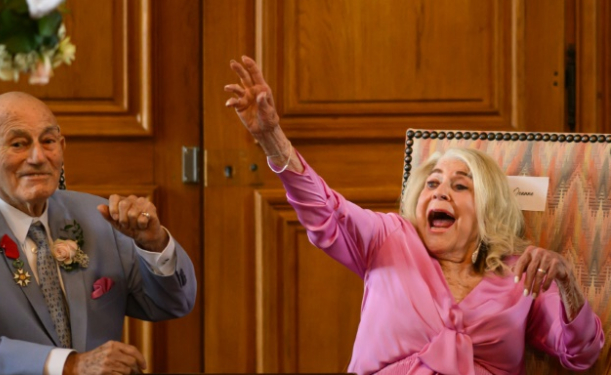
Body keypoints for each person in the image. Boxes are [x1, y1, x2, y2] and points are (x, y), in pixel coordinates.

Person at [225, 56, 604, 375]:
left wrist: (567, 281)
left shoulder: (521, 275)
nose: (440, 191)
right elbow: (325, 210)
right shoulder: (388, 238)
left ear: (487, 208)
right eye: (432, 183)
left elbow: (581, 355)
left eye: (460, 186)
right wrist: (271, 135)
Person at [0, 92, 196, 375]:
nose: (38, 157)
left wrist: (153, 243)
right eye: (18, 144)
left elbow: (173, 304)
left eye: (48, 141)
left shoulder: (97, 217)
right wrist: (69, 365)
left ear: (61, 148)